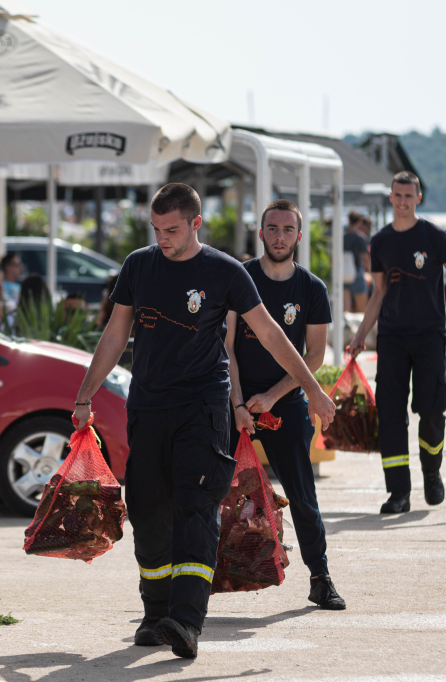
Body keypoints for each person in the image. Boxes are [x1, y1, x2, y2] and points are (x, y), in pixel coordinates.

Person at [73, 183, 335, 659]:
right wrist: (85, 394)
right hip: (148, 406)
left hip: (204, 407)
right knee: (150, 511)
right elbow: (115, 334)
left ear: (196, 223)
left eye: (171, 229)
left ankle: (188, 621)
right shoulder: (138, 265)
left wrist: (313, 390)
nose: (162, 238)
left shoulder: (224, 271)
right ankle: (156, 616)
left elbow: (272, 335)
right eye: (155, 229)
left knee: (196, 508)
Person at [225, 199, 345, 611]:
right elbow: (227, 349)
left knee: (302, 494)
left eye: (287, 230)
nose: (279, 236)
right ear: (260, 233)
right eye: (272, 229)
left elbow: (314, 356)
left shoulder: (311, 289)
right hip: (234, 397)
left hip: (285, 403)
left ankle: (320, 577)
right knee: (208, 492)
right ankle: (194, 578)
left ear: (298, 235)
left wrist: (272, 397)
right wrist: (239, 403)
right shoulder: (239, 278)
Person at [348, 171, 446, 514]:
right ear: (391, 197)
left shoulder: (436, 236)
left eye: (408, 196)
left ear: (418, 199)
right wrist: (361, 333)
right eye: (397, 196)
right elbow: (379, 292)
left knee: (431, 410)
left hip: (429, 336)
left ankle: (432, 471)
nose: (402, 202)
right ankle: (398, 493)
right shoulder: (380, 242)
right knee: (392, 416)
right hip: (393, 337)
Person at [343, 211, 370, 313]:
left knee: (346, 312)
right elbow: (365, 257)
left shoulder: (343, 237)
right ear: (359, 222)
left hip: (344, 273)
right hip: (357, 272)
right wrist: (370, 271)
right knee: (362, 311)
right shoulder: (360, 237)